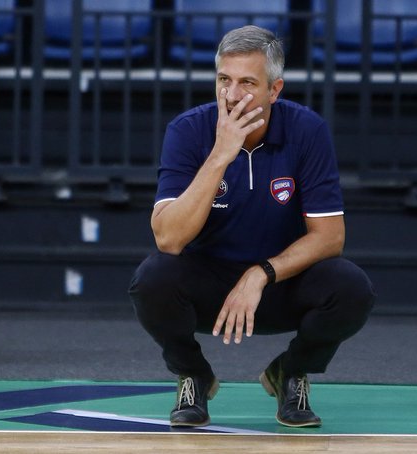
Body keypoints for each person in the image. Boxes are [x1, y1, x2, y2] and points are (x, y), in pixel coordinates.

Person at [128, 25, 375, 428]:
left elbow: (331, 237)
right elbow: (168, 239)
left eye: (247, 83)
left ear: (274, 90)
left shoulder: (307, 130)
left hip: (279, 282)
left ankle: (290, 372)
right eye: (224, 80)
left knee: (351, 288)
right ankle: (193, 374)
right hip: (208, 282)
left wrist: (261, 274)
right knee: (152, 279)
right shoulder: (188, 130)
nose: (231, 94)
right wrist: (220, 155)